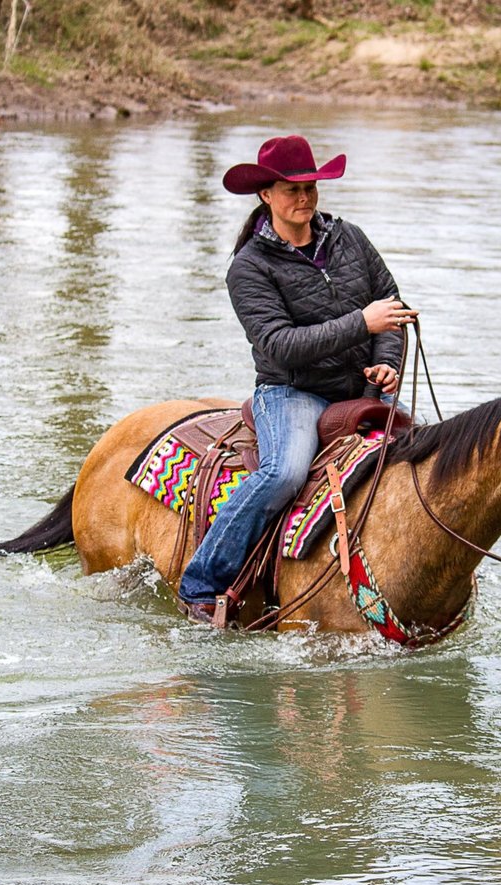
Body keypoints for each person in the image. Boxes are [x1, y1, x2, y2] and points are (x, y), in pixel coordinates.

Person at [178, 134, 417, 622]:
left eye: (311, 186)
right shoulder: (249, 267)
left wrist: (386, 361)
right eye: (291, 189)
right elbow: (278, 344)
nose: (304, 198)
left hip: (362, 390)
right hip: (291, 392)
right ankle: (201, 582)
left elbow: (389, 305)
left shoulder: (349, 237)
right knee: (284, 473)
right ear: (265, 195)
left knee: (428, 460)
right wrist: (361, 324)